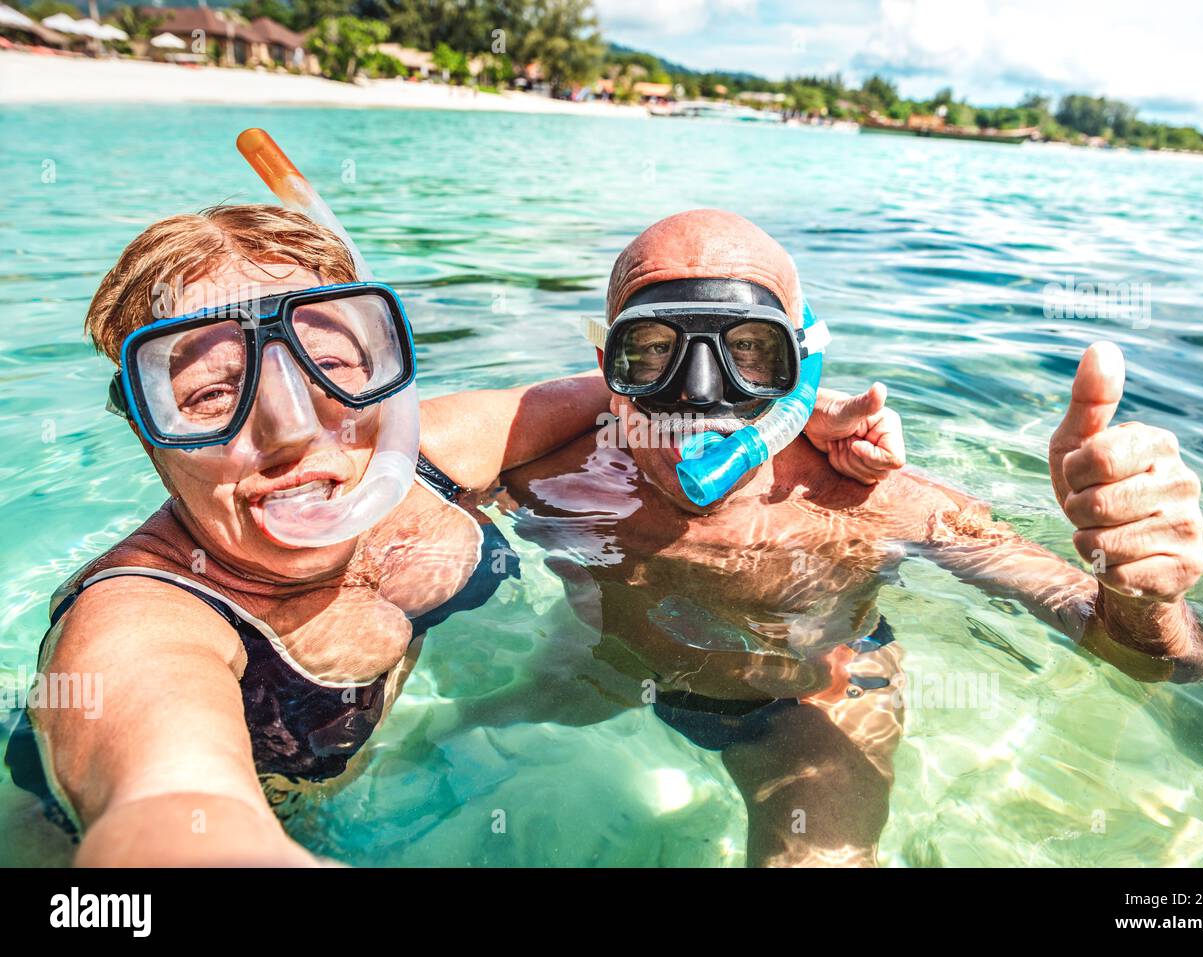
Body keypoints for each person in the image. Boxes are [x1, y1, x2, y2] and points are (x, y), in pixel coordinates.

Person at [5, 204, 899, 866]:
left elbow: (621, 381)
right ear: (146, 432)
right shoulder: (140, 621)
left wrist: (783, 408)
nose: (291, 431)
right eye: (206, 395)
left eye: (334, 368)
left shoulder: (427, 451)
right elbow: (170, 807)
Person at [493, 208, 1203, 867]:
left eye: (749, 350)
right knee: (465, 728)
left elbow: (1153, 661)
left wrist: (1143, 592)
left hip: (809, 699)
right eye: (651, 351)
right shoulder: (553, 476)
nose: (699, 393)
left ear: (798, 370)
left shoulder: (877, 503)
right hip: (611, 655)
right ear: (605, 369)